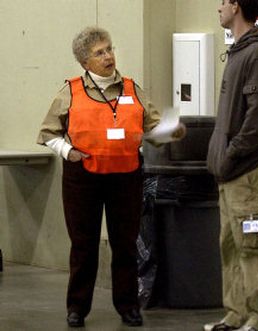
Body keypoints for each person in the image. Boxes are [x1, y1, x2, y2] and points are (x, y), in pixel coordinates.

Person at [37, 26, 185, 328]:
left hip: (126, 176)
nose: (108, 56)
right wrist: (69, 153)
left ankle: (128, 306)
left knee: (125, 244)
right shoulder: (71, 91)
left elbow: (153, 128)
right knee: (83, 245)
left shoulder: (132, 89)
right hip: (82, 178)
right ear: (84, 62)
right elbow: (48, 132)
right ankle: (77, 307)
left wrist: (171, 131)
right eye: (99, 53)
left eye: (109, 49)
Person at [205, 1, 258, 330]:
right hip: (230, 172)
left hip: (249, 171)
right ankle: (236, 315)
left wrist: (234, 152)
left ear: (235, 5)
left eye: (221, 2)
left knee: (256, 245)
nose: (217, 8)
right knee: (232, 245)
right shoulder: (238, 51)